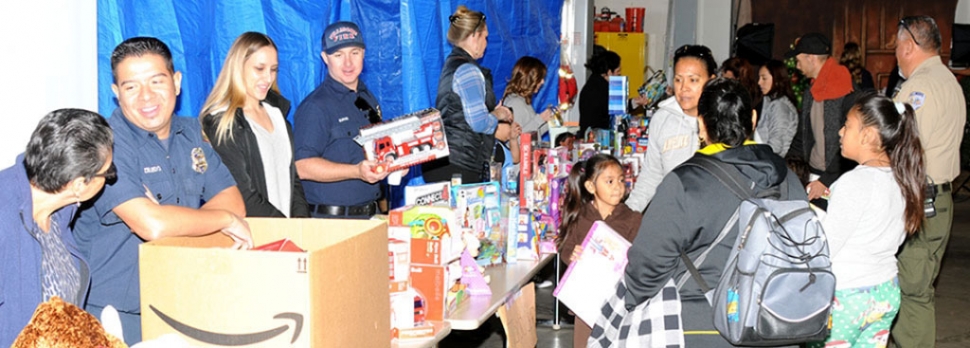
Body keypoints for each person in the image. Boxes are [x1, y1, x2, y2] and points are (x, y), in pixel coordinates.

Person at [74, 37, 253, 345]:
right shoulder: (105, 145)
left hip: (177, 297)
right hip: (113, 314)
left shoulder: (191, 133)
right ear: (117, 93)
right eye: (131, 87)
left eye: (157, 81)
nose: (146, 97)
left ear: (177, 82)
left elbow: (233, 202)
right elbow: (151, 224)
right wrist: (219, 221)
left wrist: (181, 219)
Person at [623, 78, 806, 347]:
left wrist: (633, 300)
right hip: (775, 323)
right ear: (753, 120)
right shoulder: (788, 179)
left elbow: (647, 266)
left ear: (700, 124)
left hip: (703, 327)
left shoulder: (683, 183)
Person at [808, 94, 925, 347]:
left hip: (846, 296)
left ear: (868, 135)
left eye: (847, 125)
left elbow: (826, 247)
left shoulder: (855, 182)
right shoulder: (903, 178)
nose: (840, 132)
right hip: (885, 291)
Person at [0, 109, 114, 347]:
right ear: (79, 184)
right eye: (107, 173)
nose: (112, 177)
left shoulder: (60, 211)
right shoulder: (5, 217)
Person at [890, 15, 967, 348]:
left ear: (909, 46)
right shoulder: (949, 80)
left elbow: (901, 147)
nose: (895, 55)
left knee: (913, 295)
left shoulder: (919, 88)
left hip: (920, 201)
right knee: (921, 288)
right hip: (939, 199)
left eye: (896, 48)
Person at [200, 32, 309, 218]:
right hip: (252, 235)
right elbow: (242, 193)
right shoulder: (221, 121)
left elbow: (293, 181)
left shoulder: (277, 115)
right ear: (238, 68)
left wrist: (301, 227)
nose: (268, 78)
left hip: (287, 236)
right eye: (259, 69)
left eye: (273, 69)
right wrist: (286, 230)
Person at [293, 21, 395, 218]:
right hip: (333, 222)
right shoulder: (315, 107)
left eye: (354, 52)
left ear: (364, 53)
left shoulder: (367, 98)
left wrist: (393, 162)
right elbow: (302, 166)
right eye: (338, 55)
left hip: (369, 215)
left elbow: (377, 146)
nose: (348, 63)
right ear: (325, 58)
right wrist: (356, 171)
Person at [421, 6, 515, 184]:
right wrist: (499, 114)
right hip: (459, 162)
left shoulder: (453, 64)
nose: (486, 44)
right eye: (485, 37)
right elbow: (479, 122)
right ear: (474, 36)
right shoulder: (468, 71)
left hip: (445, 160)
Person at [557, 154, 642, 348]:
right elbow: (567, 248)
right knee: (583, 343)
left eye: (621, 180)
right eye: (610, 181)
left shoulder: (632, 218)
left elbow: (638, 255)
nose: (618, 186)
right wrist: (572, 255)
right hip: (586, 299)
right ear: (590, 187)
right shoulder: (580, 217)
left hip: (618, 298)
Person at [625, 44, 718, 212]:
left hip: (715, 220)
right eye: (678, 79)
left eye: (693, 80)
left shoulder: (726, 117)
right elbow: (651, 175)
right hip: (675, 215)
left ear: (711, 81)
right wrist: (628, 214)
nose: (684, 88)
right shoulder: (662, 119)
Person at [786, 32, 858, 209]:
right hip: (813, 176)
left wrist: (825, 180)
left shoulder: (847, 91)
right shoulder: (812, 91)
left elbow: (852, 144)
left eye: (798, 60)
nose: (797, 66)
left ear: (810, 58)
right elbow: (802, 137)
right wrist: (784, 167)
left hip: (837, 180)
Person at [577, 50, 649, 138]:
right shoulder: (599, 89)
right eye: (617, 71)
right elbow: (615, 109)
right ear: (609, 72)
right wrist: (634, 102)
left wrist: (635, 101)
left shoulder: (595, 82)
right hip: (597, 138)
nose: (619, 74)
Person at [756, 59, 799, 157]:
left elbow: (776, 145)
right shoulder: (770, 101)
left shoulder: (780, 106)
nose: (759, 82)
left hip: (772, 163)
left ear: (776, 79)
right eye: (759, 78)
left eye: (764, 78)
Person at [502, 56, 552, 133]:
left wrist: (548, 120)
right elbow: (515, 139)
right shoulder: (515, 103)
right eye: (540, 78)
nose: (542, 82)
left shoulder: (522, 101)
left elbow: (532, 132)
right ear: (529, 79)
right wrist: (540, 119)